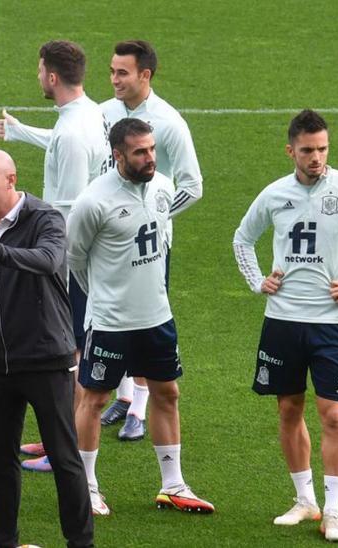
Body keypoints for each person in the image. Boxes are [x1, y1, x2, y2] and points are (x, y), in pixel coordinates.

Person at [232, 109, 338, 542]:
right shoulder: (274, 194)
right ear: (291, 150)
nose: (316, 157)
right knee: (289, 410)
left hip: (331, 326)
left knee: (333, 416)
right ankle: (305, 500)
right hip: (283, 321)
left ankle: (334, 511)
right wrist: (258, 280)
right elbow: (242, 238)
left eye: (322, 148)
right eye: (307, 150)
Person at [66, 118, 213, 515]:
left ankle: (173, 484)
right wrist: (104, 297)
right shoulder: (93, 201)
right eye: (140, 152)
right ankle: (87, 487)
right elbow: (75, 260)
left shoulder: (164, 186)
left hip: (157, 318)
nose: (150, 158)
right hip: (111, 323)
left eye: (152, 149)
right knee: (94, 400)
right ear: (118, 155)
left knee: (168, 394)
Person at [0, 38, 112, 472]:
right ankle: (59, 437)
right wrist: (22, 132)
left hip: (72, 260)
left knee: (70, 351)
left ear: (52, 76)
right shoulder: (89, 113)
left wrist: (52, 261)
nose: (38, 76)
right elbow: (64, 141)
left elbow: (71, 209)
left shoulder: (74, 131)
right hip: (88, 256)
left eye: (40, 70)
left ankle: (67, 448)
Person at [0, 150, 94, 546]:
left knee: (65, 458)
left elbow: (48, 260)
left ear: (11, 179)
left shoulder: (45, 218)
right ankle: (3, 541)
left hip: (46, 359)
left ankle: (81, 543)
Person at [92, 40, 204, 438]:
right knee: (111, 314)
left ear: (145, 75)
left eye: (122, 72)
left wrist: (151, 217)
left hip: (149, 244)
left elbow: (193, 185)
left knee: (143, 317)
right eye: (111, 71)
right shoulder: (104, 112)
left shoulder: (169, 123)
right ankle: (123, 399)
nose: (114, 79)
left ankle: (139, 408)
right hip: (108, 237)